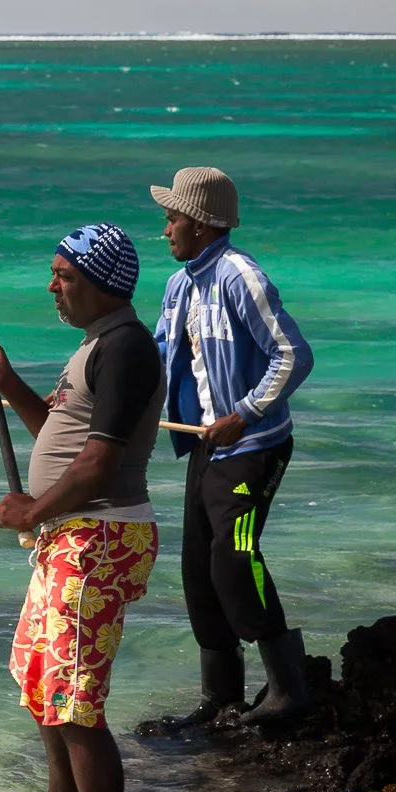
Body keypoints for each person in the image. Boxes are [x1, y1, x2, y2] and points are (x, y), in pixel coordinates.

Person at [0, 223, 164, 792]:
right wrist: (8, 380)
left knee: (76, 696)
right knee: (38, 673)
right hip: (70, 534)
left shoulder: (128, 347)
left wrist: (33, 507)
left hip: (98, 537)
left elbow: (101, 461)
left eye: (65, 275)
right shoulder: (95, 344)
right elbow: (60, 431)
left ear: (103, 283)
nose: (52, 285)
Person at [150, 166, 316, 728]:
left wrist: (242, 414)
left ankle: (289, 689)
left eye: (172, 218)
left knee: (234, 556)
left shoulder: (241, 276)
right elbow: (156, 358)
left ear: (199, 224)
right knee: (198, 567)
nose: (165, 228)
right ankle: (220, 698)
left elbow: (294, 355)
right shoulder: (179, 285)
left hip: (253, 445)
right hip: (204, 447)